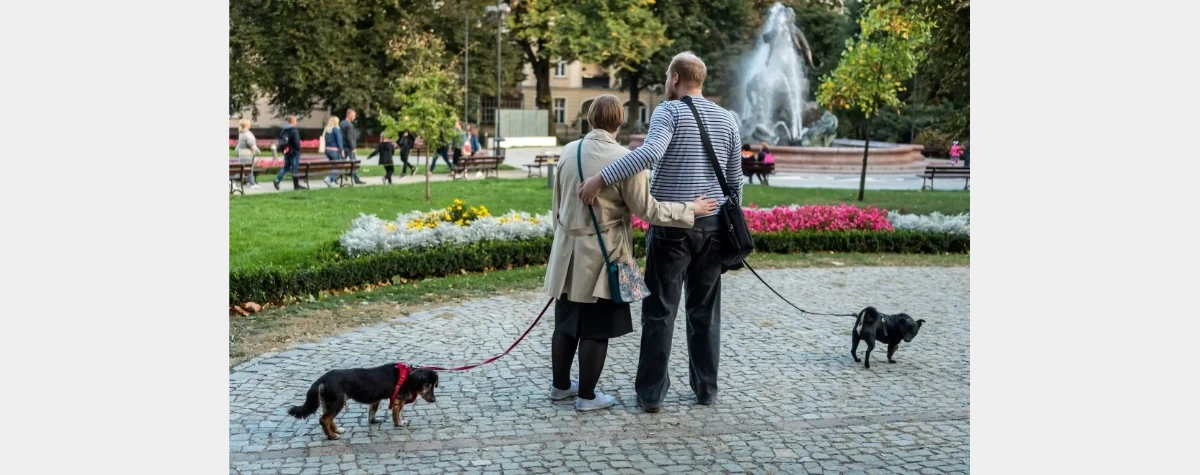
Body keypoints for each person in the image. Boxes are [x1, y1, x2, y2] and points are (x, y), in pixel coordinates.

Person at [578, 52, 742, 413]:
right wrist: (733, 229)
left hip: (671, 229)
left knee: (660, 312)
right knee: (705, 312)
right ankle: (706, 390)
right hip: (714, 227)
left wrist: (600, 177)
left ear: (675, 79)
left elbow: (649, 154)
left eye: (668, 77)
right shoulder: (728, 118)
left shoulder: (668, 112)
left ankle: (652, 395)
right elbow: (735, 181)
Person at [545, 94, 717, 412]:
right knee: (597, 327)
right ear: (621, 122)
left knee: (566, 322)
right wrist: (690, 209)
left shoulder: (568, 151)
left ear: (590, 118)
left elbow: (556, 205)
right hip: (603, 254)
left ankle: (560, 387)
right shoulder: (626, 159)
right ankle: (586, 396)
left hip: (567, 253)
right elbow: (648, 211)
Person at [273, 115, 306, 190]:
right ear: (294, 121)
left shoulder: (284, 130)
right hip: (294, 152)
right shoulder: (294, 130)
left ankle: (277, 180)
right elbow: (297, 143)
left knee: (286, 167)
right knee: (294, 168)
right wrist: (298, 149)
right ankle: (296, 185)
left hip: (286, 151)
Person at [340, 109, 367, 184]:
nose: (355, 117)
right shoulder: (349, 125)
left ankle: (334, 177)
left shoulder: (342, 123)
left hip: (343, 146)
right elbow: (349, 137)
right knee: (354, 163)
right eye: (353, 115)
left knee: (341, 162)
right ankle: (356, 179)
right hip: (349, 147)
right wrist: (353, 147)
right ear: (349, 115)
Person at [234, 119, 261, 188]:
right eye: (249, 123)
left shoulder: (242, 132)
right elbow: (250, 143)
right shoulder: (247, 133)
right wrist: (257, 150)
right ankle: (251, 184)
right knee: (247, 169)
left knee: (245, 169)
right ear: (246, 125)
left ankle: (252, 183)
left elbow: (239, 144)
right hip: (247, 154)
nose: (250, 124)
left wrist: (237, 150)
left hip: (243, 153)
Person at [321, 117, 345, 187]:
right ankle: (329, 178)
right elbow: (339, 141)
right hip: (335, 151)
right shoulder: (336, 130)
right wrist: (342, 150)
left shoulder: (327, 130)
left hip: (327, 150)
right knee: (338, 166)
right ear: (336, 122)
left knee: (333, 166)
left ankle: (332, 181)